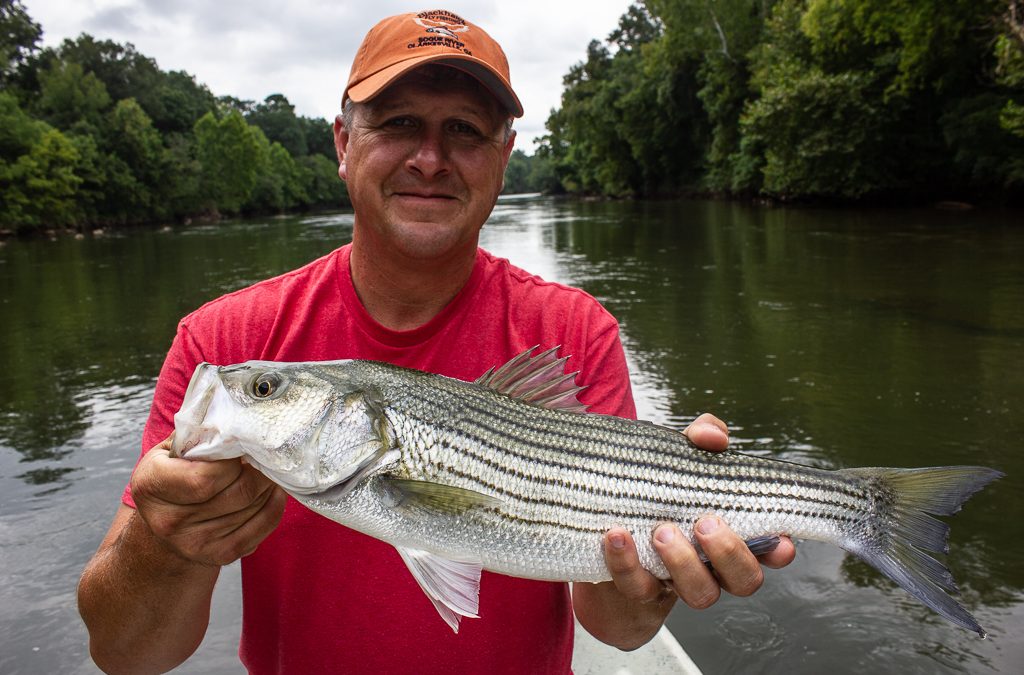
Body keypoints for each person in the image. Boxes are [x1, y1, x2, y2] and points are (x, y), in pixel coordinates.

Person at [78, 9, 794, 674]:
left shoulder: (573, 330)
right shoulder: (225, 338)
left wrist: (659, 570)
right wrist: (162, 544)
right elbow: (125, 654)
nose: (430, 157)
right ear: (342, 141)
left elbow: (615, 626)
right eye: (397, 122)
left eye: (464, 130)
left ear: (504, 156)